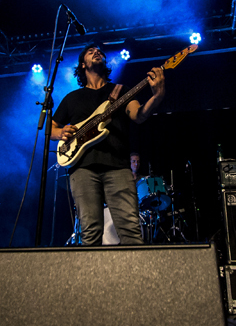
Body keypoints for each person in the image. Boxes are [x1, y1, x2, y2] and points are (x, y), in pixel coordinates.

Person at [51, 44, 165, 245]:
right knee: (90, 233)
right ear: (82, 65)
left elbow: (138, 115)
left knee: (130, 232)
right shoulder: (72, 98)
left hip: (118, 166)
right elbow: (50, 128)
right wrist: (60, 132)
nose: (97, 52)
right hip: (82, 168)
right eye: (90, 51)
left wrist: (157, 96)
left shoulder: (121, 91)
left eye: (100, 52)